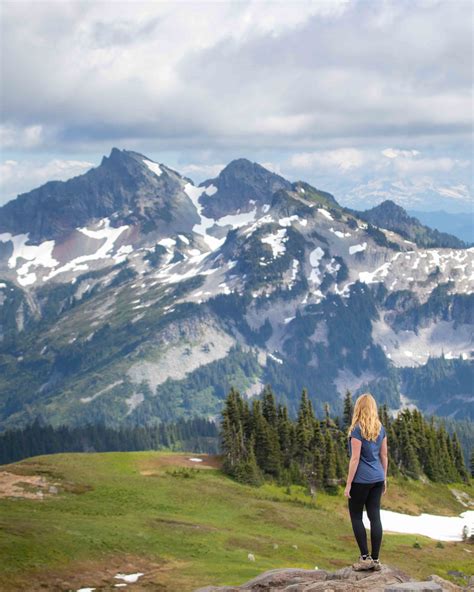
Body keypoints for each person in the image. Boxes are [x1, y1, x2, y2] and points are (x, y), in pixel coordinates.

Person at [344, 393, 388, 572]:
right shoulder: (380, 428)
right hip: (377, 478)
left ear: (358, 408)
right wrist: (384, 478)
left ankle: (365, 557)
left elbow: (355, 459)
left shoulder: (356, 430)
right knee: (375, 516)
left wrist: (348, 484)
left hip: (361, 480)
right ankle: (376, 559)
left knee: (356, 516)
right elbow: (383, 455)